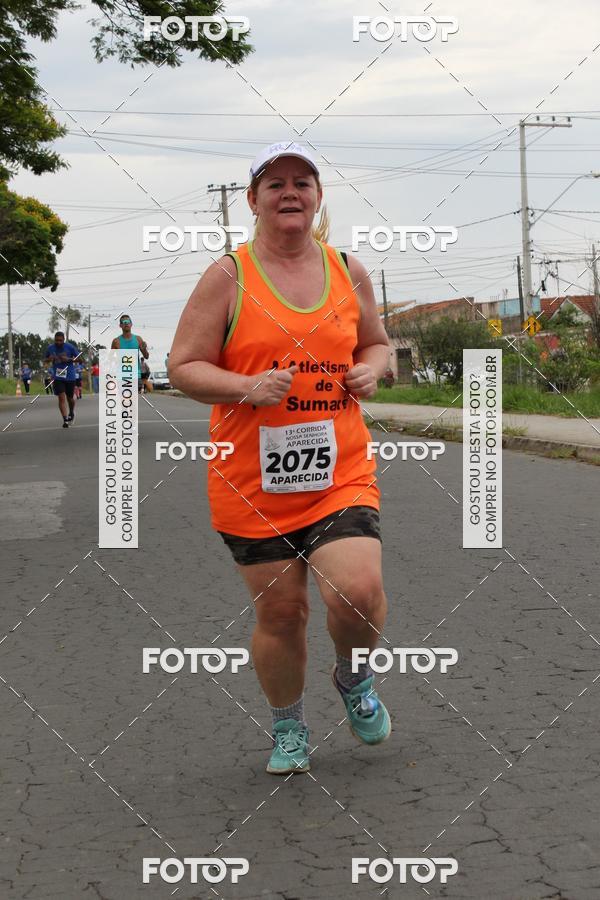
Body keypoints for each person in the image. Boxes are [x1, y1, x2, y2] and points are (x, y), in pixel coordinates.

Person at [169, 142, 392, 775]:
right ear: (253, 200)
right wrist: (247, 387)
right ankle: (289, 726)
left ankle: (353, 677)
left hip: (338, 475)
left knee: (357, 591)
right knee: (282, 611)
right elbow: (182, 366)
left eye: (302, 182)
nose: (290, 192)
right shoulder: (228, 276)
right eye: (275, 184)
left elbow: (377, 344)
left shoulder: (348, 269)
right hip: (251, 485)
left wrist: (372, 370)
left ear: (318, 197)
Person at [44, 331, 80, 427]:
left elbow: (81, 359)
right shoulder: (50, 348)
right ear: (54, 340)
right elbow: (45, 359)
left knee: (70, 398)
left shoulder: (70, 347)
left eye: (60, 340)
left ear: (64, 340)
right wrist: (49, 359)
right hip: (58, 376)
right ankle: (65, 420)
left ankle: (71, 412)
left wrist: (69, 359)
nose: (58, 342)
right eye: (56, 340)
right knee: (61, 397)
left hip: (70, 376)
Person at [111, 315, 149, 392]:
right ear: (120, 325)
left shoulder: (138, 339)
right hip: (122, 375)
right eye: (124, 322)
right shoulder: (116, 341)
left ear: (131, 324)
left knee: (132, 398)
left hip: (135, 375)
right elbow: (110, 359)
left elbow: (146, 356)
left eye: (128, 322)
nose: (126, 323)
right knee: (124, 398)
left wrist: (144, 349)